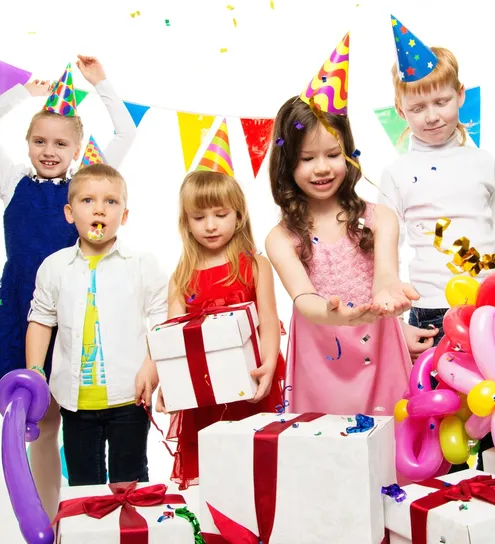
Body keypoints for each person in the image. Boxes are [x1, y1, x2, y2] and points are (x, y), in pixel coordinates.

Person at [265, 34, 431, 417]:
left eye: (333, 154)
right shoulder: (280, 237)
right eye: (307, 158)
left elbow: (385, 275)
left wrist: (388, 292)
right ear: (287, 162)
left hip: (379, 346)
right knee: (327, 453)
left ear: (350, 153)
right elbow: (304, 298)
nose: (322, 167)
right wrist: (334, 314)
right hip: (320, 352)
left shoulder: (380, 217)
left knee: (388, 446)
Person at [379, 15, 495, 467]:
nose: (432, 115)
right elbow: (382, 249)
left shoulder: (483, 162)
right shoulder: (396, 173)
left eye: (441, 101)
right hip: (434, 313)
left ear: (461, 96)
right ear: (400, 110)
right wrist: (395, 316)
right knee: (444, 427)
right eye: (418, 108)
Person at [0, 56, 136, 517]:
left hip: (74, 313)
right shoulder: (13, 181)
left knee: (75, 414)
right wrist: (25, 96)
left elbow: (126, 135)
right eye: (39, 140)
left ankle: (89, 512)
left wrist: (102, 83)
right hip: (21, 311)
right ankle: (46, 514)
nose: (49, 149)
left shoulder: (84, 187)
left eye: (60, 142)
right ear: (28, 143)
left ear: (78, 149)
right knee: (39, 423)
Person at [26, 163, 166, 489]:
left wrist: (152, 365)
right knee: (84, 487)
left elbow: (162, 319)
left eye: (111, 202)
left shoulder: (142, 265)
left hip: (130, 399)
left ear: (125, 216)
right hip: (75, 404)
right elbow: (41, 319)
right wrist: (35, 369)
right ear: (69, 213)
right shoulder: (54, 267)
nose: (99, 209)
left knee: (129, 486)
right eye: (88, 201)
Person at [156, 170, 284, 490]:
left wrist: (268, 367)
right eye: (199, 217)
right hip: (203, 398)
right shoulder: (181, 276)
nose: (210, 225)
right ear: (186, 222)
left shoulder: (255, 265)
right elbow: (173, 339)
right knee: (216, 479)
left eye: (220, 214)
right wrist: (168, 383)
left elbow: (269, 321)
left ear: (238, 216)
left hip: (252, 387)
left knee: (259, 476)